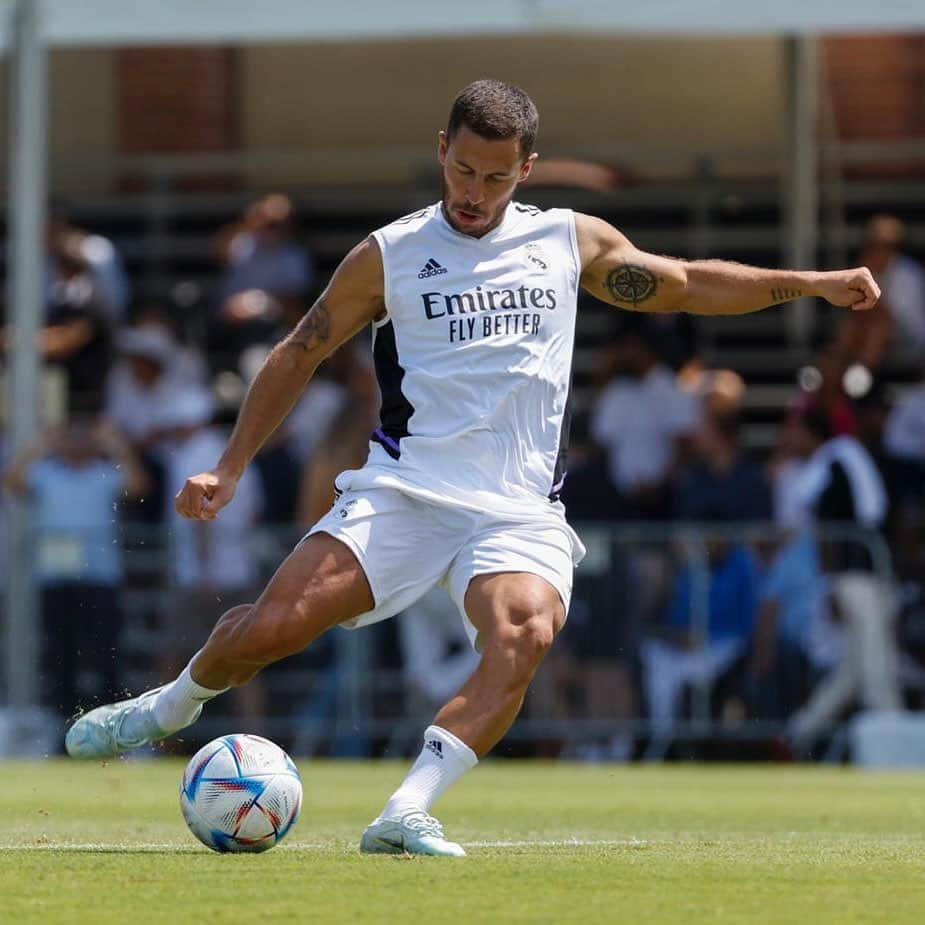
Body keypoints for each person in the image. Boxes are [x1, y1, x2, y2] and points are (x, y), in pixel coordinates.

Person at [66, 79, 881, 856]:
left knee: (522, 631)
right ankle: (168, 704)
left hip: (518, 508)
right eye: (461, 168)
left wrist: (810, 284)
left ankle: (405, 810)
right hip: (405, 490)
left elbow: (684, 285)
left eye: (494, 176)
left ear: (524, 169)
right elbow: (299, 350)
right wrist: (230, 466)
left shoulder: (566, 239)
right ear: (441, 150)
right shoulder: (389, 254)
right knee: (276, 628)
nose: (473, 190)